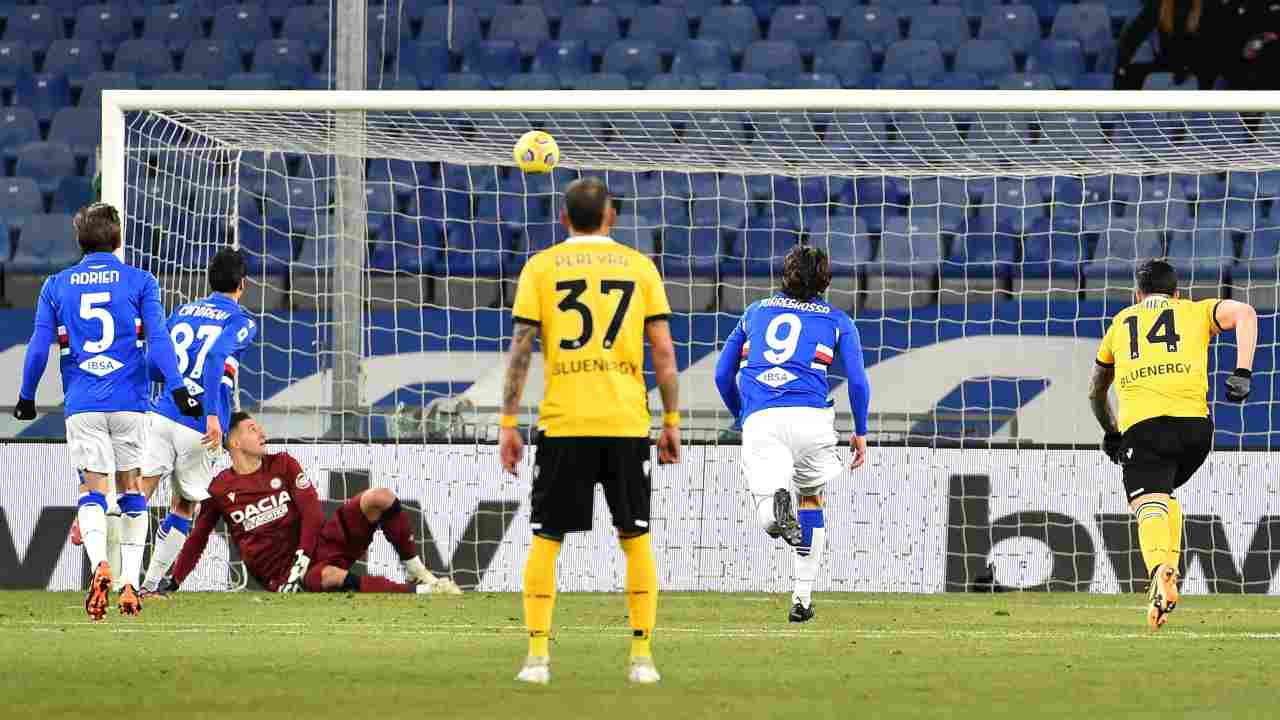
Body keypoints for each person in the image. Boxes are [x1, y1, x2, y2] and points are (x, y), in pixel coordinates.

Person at [499, 177, 681, 686]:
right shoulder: (640, 268)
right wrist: (671, 421)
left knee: (547, 538)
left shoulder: (541, 266)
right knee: (636, 537)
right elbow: (663, 353)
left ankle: (537, 659)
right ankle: (642, 658)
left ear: (564, 220)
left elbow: (520, 351)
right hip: (625, 421)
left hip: (564, 421)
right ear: (611, 218)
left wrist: (509, 424)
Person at [12, 203, 203, 620]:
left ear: (79, 241)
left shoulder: (56, 285)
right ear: (118, 239)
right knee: (132, 487)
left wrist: (26, 396)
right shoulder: (140, 281)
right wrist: (179, 390)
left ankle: (100, 563)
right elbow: (159, 340)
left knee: (92, 489)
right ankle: (129, 583)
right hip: (131, 403)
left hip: (83, 403)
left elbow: (39, 348)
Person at [1089, 260, 1257, 630]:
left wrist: (1111, 429)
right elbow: (1245, 312)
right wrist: (1243, 372)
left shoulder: (1121, 323)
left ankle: (1159, 570)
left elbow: (1097, 389)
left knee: (1148, 504)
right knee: (1164, 497)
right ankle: (1167, 580)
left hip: (1145, 430)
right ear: (1177, 292)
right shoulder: (1196, 311)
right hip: (1197, 432)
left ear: (1137, 294)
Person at [713, 245, 870, 623]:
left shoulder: (755, 312)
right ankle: (801, 599)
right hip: (812, 421)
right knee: (812, 500)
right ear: (826, 279)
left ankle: (774, 510)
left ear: (786, 275)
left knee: (767, 510)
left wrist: (744, 418)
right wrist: (861, 432)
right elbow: (858, 383)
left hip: (763, 420)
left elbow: (722, 376)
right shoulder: (838, 319)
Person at [169, 412, 462, 595]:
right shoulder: (220, 487)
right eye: (252, 428)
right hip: (280, 574)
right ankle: (422, 592)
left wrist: (302, 558)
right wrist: (174, 581)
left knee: (380, 497)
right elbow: (198, 537)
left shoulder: (283, 463)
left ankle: (417, 570)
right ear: (234, 442)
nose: (261, 433)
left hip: (317, 546)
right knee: (332, 577)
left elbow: (311, 514)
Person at [133, 247, 258, 596]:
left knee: (140, 492)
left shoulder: (183, 312)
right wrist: (215, 416)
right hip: (199, 426)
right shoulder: (242, 320)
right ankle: (148, 586)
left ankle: (111, 562)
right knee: (184, 505)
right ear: (242, 284)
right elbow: (217, 355)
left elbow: (155, 362)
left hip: (162, 413)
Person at [1113, 0, 1223, 89]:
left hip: (1200, 67)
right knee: (1130, 74)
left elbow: (1215, 45)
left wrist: (1189, 68)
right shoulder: (1160, 4)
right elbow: (1134, 35)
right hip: (1167, 64)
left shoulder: (1210, 5)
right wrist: (1123, 63)